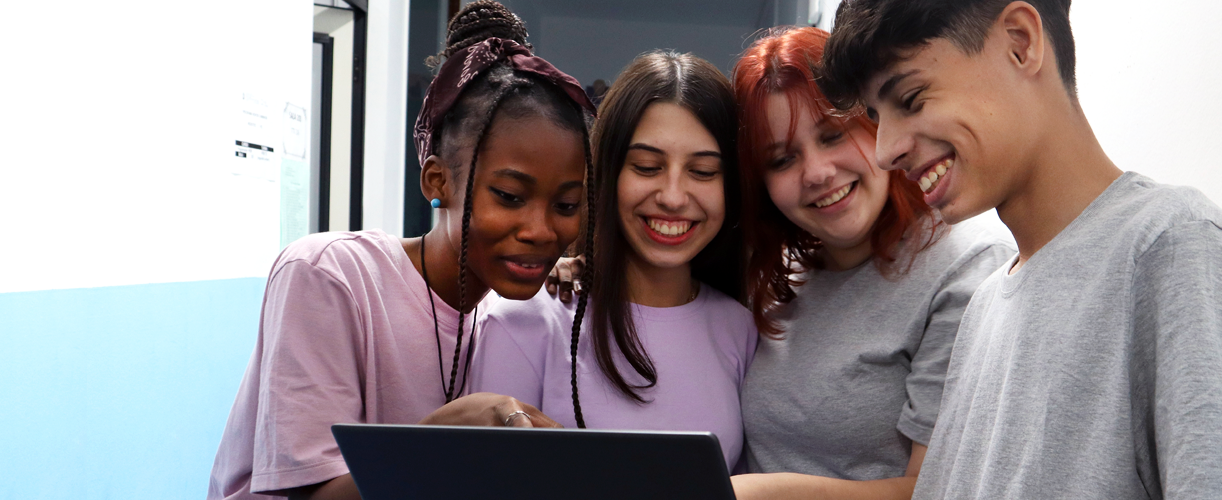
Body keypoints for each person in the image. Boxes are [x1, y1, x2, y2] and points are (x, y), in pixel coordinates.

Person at [817, 1, 1222, 499]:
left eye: (910, 98)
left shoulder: (1174, 247)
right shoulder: (985, 305)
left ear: (1021, 42)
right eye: (875, 117)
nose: (885, 150)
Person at [207, 2, 597, 499]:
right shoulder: (330, 276)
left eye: (565, 204)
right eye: (509, 197)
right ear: (438, 181)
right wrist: (450, 432)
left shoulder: (516, 314)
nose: (541, 230)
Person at [725, 27, 1013, 500]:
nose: (817, 173)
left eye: (832, 135)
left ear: (878, 124)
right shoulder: (783, 277)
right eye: (782, 159)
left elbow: (933, 489)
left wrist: (758, 493)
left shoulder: (963, 266)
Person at [468, 50, 758, 469]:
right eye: (646, 167)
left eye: (703, 172)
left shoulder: (742, 330)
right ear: (607, 172)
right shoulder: (525, 322)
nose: (673, 197)